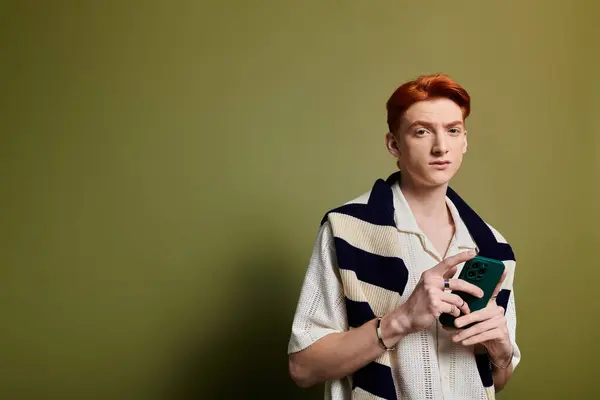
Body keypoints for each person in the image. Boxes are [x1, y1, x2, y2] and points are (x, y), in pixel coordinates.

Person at [287, 73, 520, 400]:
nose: (440, 147)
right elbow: (303, 368)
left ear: (465, 140)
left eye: (452, 130)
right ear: (394, 143)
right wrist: (402, 320)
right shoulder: (346, 229)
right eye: (422, 131)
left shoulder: (494, 249)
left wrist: (500, 350)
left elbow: (497, 379)